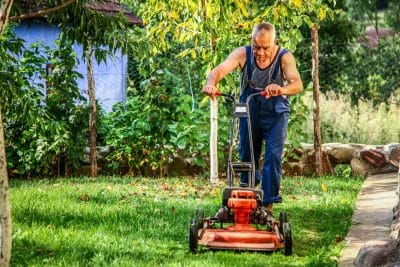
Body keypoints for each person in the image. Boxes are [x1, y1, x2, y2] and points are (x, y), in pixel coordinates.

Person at [202, 22, 302, 213]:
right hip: (250, 107)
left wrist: (281, 89)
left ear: (274, 43)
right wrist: (211, 84)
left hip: (276, 112)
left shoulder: (285, 57)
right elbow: (219, 70)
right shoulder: (242, 54)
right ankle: (246, 201)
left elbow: (297, 83)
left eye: (266, 48)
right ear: (251, 42)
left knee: (273, 157)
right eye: (257, 47)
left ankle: (267, 207)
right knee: (247, 155)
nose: (261, 53)